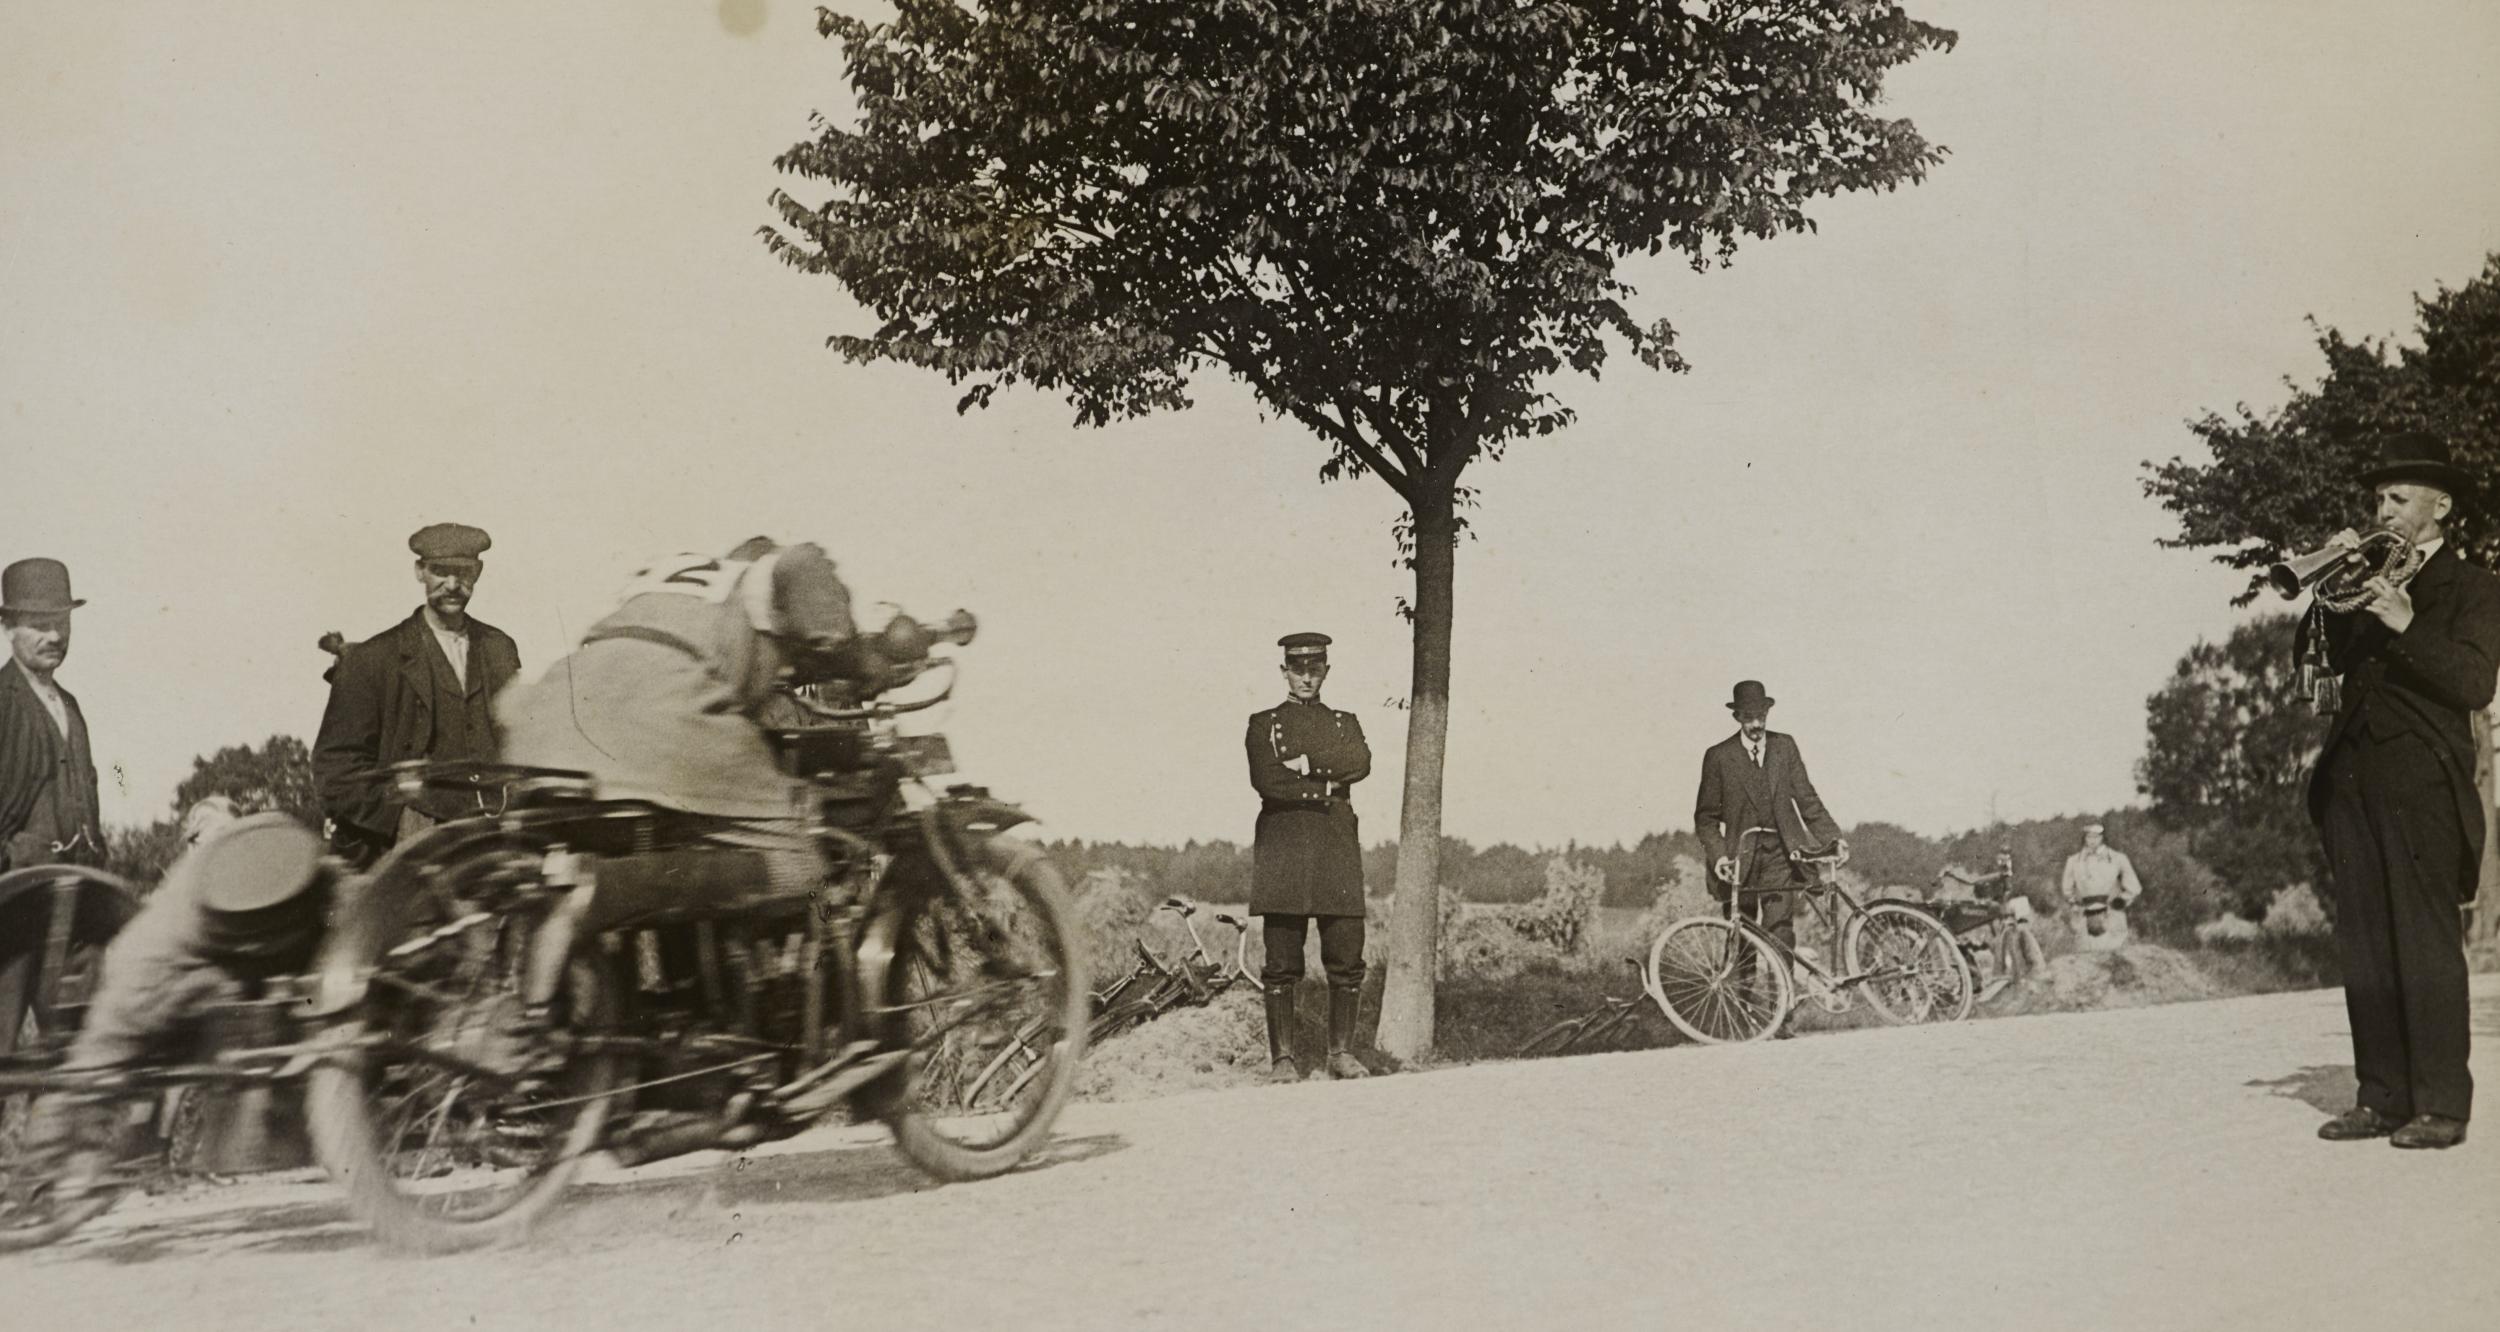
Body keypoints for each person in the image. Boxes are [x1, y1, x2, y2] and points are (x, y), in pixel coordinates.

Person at [2301, 431, 2500, 1151]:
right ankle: (2380, 1098)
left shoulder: (2475, 588)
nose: (2380, 508)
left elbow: (2475, 683)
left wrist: (2408, 624)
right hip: (2353, 778)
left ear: (2438, 506)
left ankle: (2442, 1106)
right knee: (2366, 942)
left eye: (2396, 497)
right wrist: (2327, 585)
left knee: (2422, 943)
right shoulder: (2362, 580)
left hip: (2422, 777)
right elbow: (2317, 661)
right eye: (2378, 497)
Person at [19, 812, 337, 1187]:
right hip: (155, 978)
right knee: (99, 1067)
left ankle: (236, 1155)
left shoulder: (291, 873)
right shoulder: (168, 927)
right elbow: (103, 1051)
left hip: (215, 975)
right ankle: (44, 1172)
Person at [312, 524, 522, 868]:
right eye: (440, 572)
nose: (452, 585)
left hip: (495, 840)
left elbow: (517, 740)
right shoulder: (371, 659)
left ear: (478, 572)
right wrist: (398, 819)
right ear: (420, 571)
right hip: (410, 850)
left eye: (464, 572)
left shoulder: (500, 649)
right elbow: (336, 769)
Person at [1245, 632, 1372, 1082]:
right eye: (1297, 669)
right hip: (1283, 850)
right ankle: (1283, 1060)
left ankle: (1341, 1053)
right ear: (1284, 671)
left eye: (1314, 669)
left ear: (1326, 671)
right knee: (1281, 961)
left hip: (1335, 848)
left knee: (1346, 954)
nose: (1306, 678)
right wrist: (1325, 784)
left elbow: (1359, 763)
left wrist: (1303, 764)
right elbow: (1266, 780)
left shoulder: (1345, 723)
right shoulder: (1263, 724)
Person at [1692, 680, 1843, 951]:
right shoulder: (1718, 756)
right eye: (1748, 718)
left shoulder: (1784, 747)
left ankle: (1783, 995)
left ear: (1767, 714)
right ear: (1737, 717)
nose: (1756, 725)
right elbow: (1705, 820)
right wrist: (1720, 859)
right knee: (1741, 938)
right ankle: (1741, 995)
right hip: (1740, 859)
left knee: (1781, 934)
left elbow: (1807, 799)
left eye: (1760, 716)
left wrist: (1834, 838)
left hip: (1781, 857)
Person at [0, 558, 103, 875]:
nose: (56, 636)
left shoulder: (70, 705)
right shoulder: (3, 701)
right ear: (8, 628)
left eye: (62, 623)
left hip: (77, 891)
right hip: (18, 899)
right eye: (41, 625)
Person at [2059, 823, 2143, 937]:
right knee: (2085, 951)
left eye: (2096, 836)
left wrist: (2120, 901)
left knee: (2114, 951)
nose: (2092, 840)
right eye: (2089, 836)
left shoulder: (2118, 858)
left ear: (2103, 837)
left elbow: (2134, 887)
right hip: (2084, 916)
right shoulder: (2074, 861)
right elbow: (2067, 888)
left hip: (2112, 915)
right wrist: (2074, 904)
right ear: (2084, 838)